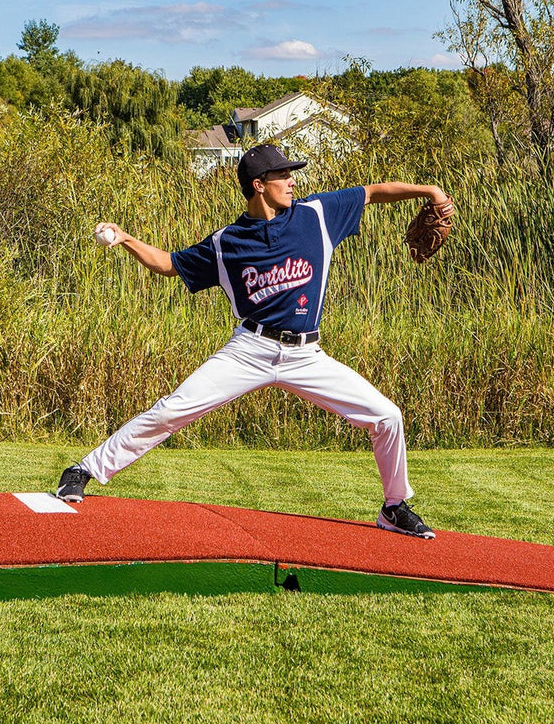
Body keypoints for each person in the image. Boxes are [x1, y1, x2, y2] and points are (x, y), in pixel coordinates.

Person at [56, 144, 450, 539]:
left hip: (307, 355)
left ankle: (394, 506)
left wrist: (429, 190)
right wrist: (126, 238)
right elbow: (168, 265)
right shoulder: (227, 242)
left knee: (386, 416)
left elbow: (372, 191)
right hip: (250, 351)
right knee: (172, 410)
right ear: (259, 185)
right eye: (283, 175)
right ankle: (84, 469)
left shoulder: (317, 215)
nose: (292, 180)